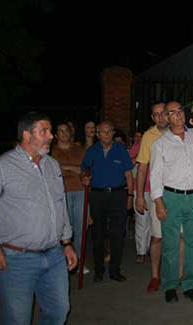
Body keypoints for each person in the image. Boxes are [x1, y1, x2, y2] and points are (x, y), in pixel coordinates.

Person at [0, 112, 77, 325]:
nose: (51, 136)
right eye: (44, 131)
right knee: (18, 319)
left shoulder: (51, 165)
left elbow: (59, 205)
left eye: (50, 131)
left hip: (54, 256)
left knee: (58, 312)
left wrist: (67, 243)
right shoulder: (0, 167)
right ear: (26, 135)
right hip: (16, 259)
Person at [150, 101, 193, 303]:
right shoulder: (160, 143)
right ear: (166, 118)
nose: (178, 115)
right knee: (171, 244)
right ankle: (169, 285)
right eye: (172, 113)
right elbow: (156, 175)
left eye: (180, 111)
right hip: (172, 197)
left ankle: (190, 284)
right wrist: (159, 203)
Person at [81, 121, 134, 282]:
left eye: (109, 131)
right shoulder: (92, 151)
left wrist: (130, 196)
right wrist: (83, 178)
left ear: (113, 133)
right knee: (98, 235)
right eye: (103, 132)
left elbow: (129, 175)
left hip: (118, 195)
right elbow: (83, 170)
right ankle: (99, 271)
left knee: (117, 235)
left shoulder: (120, 150)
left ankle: (115, 271)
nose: (107, 134)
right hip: (97, 196)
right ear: (97, 134)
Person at [135, 102, 169, 290]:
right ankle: (155, 275)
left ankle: (176, 274)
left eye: (162, 113)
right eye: (155, 115)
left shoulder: (180, 131)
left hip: (177, 192)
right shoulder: (149, 136)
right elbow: (142, 168)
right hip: (156, 193)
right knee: (157, 236)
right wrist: (140, 196)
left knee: (178, 237)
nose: (159, 118)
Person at [50, 122, 90, 274]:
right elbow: (54, 172)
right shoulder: (51, 152)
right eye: (60, 131)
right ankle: (63, 263)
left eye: (66, 130)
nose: (64, 133)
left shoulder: (79, 150)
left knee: (81, 229)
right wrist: (74, 169)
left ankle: (79, 262)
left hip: (80, 191)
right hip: (60, 193)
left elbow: (84, 169)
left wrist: (65, 168)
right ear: (56, 135)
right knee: (63, 230)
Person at [127, 130, 149, 263]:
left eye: (141, 136)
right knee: (141, 222)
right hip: (139, 189)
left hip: (155, 188)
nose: (139, 138)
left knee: (153, 222)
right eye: (136, 136)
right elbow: (128, 165)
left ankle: (150, 249)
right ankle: (141, 251)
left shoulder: (153, 143)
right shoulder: (134, 148)